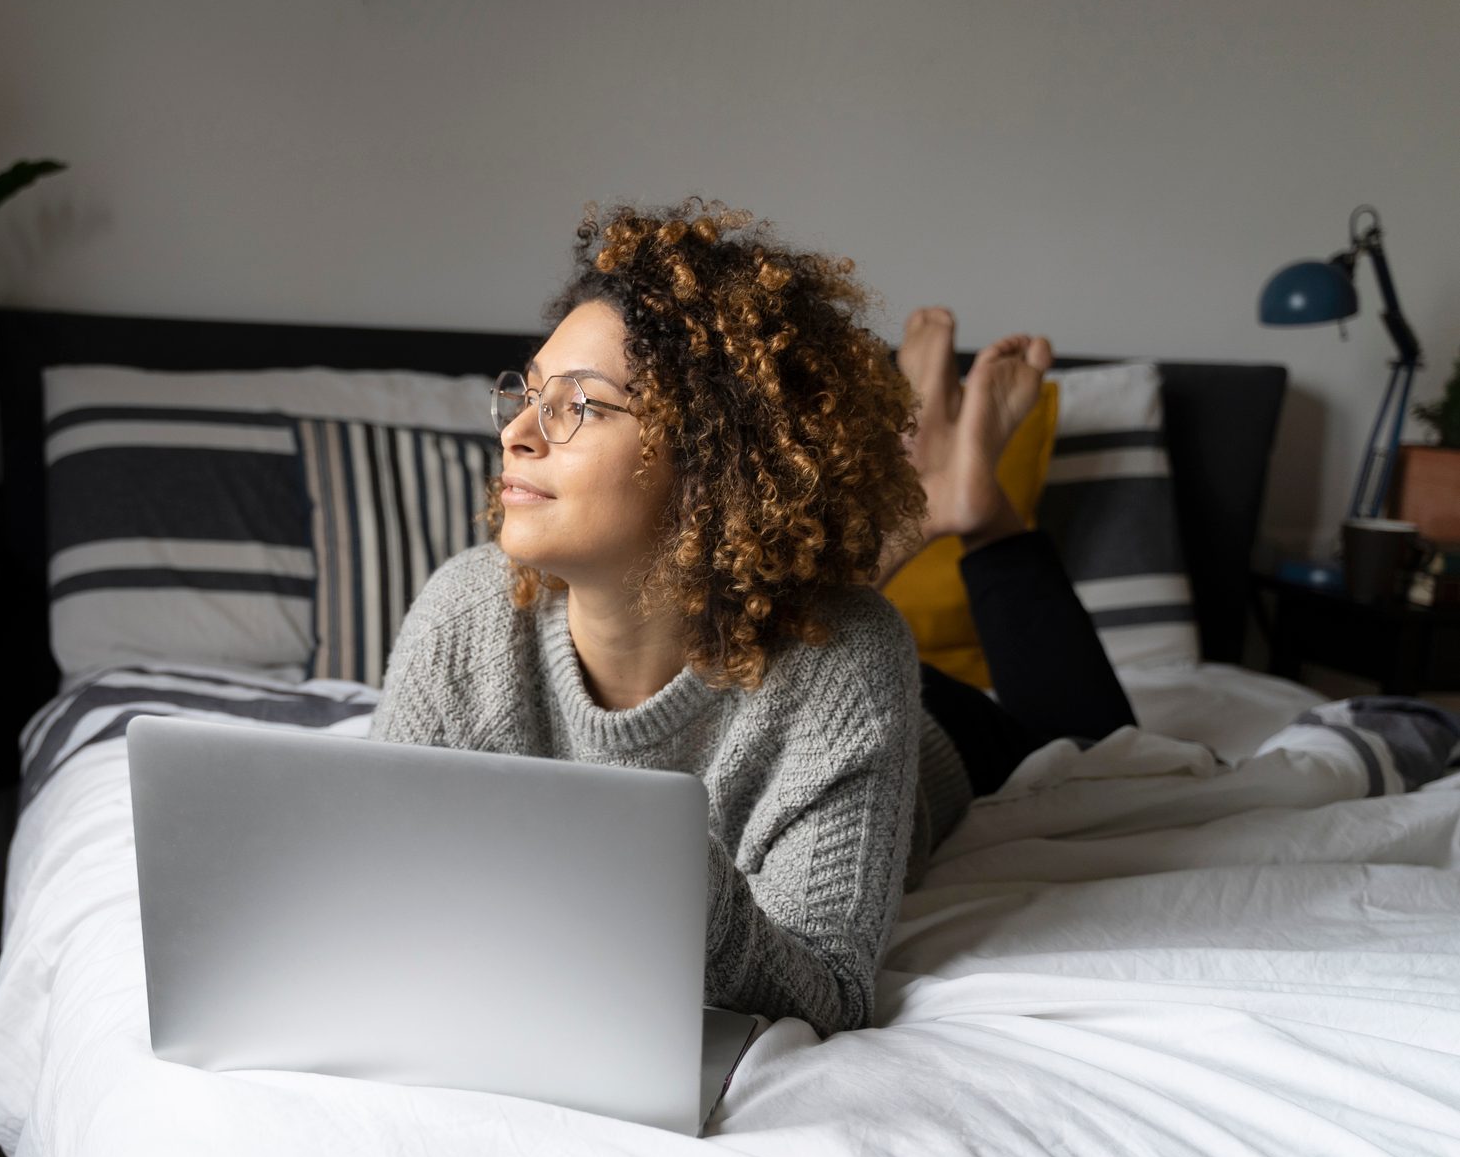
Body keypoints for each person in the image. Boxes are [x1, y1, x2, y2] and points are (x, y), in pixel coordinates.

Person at [369, 199, 1137, 1036]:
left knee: (1097, 746)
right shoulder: (464, 609)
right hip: (752, 633)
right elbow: (375, 890)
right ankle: (926, 488)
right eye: (525, 393)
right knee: (771, 594)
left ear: (709, 456)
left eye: (577, 406)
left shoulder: (848, 657)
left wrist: (649, 869)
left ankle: (978, 513)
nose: (517, 430)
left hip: (935, 732)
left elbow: (830, 989)